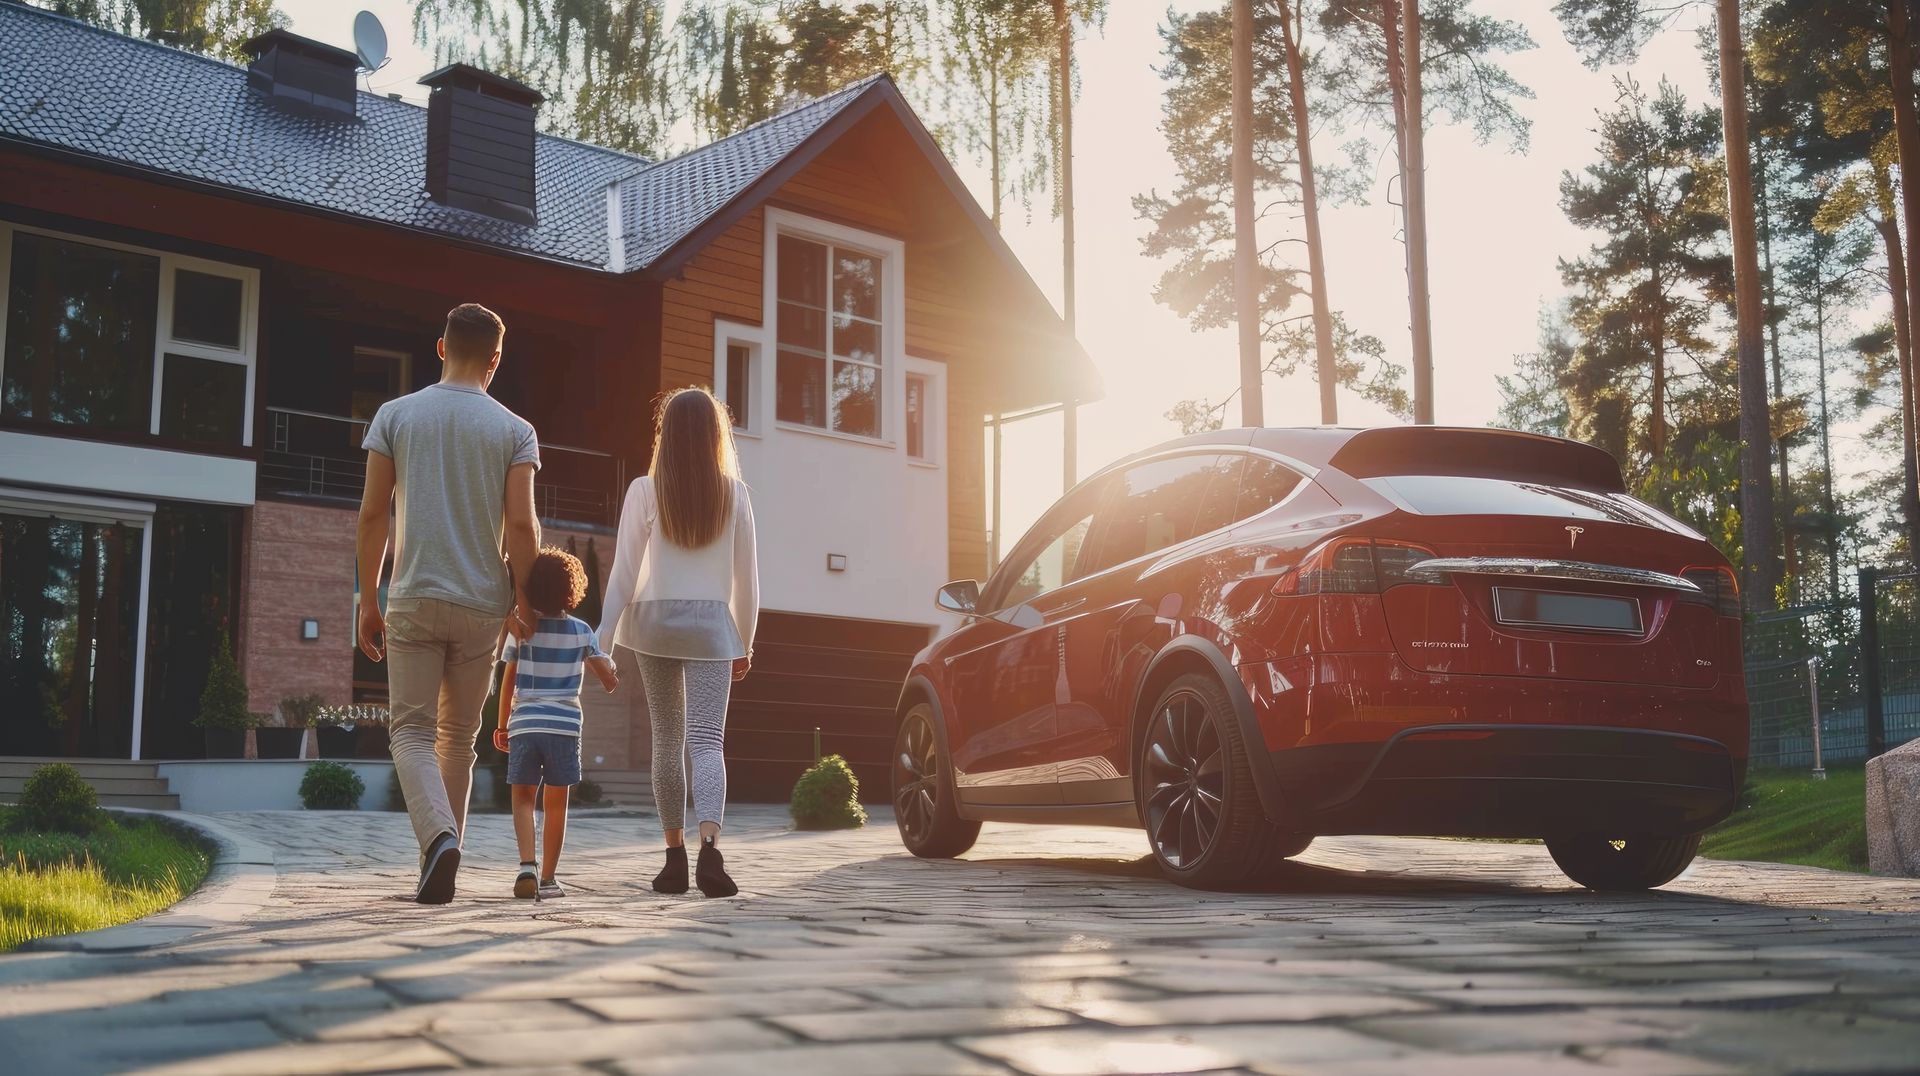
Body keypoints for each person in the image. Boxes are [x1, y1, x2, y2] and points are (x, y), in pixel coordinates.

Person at [356, 303, 541, 904]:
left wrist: (367, 598)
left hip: (413, 595)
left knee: (410, 732)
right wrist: (522, 597)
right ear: (496, 359)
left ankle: (439, 843)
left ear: (440, 348)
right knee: (458, 740)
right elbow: (522, 525)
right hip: (482, 606)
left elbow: (372, 514)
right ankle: (441, 857)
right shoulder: (515, 430)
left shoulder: (395, 415)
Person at [599, 387, 758, 898]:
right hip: (712, 628)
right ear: (717, 435)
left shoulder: (644, 490)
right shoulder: (735, 494)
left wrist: (602, 641)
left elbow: (623, 575)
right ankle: (711, 849)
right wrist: (745, 644)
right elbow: (747, 583)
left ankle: (673, 861)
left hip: (653, 626)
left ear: (665, 436)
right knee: (708, 740)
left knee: (667, 739)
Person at [491, 547, 619, 900]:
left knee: (522, 796)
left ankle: (526, 866)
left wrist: (503, 725)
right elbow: (607, 680)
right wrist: (610, 668)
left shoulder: (522, 628)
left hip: (526, 724)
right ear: (571, 589)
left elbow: (508, 678)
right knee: (556, 802)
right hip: (564, 726)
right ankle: (548, 879)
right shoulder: (581, 631)